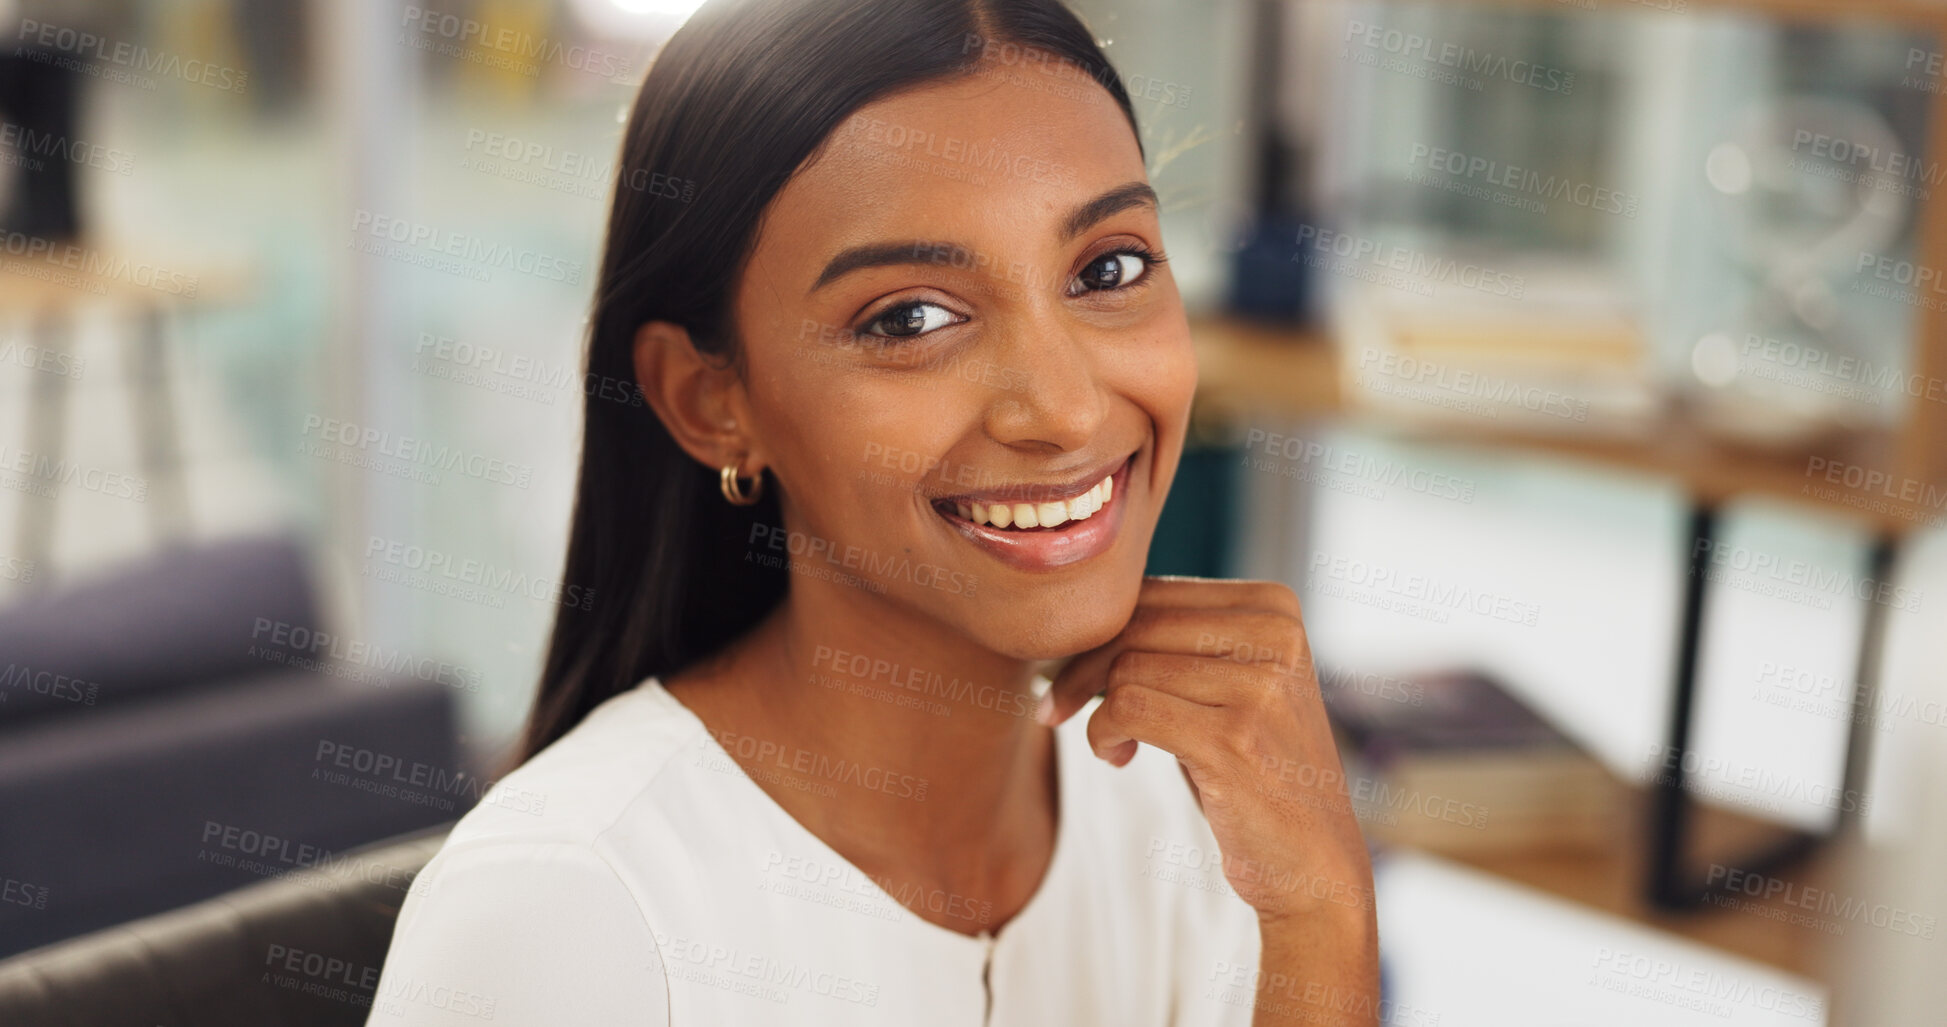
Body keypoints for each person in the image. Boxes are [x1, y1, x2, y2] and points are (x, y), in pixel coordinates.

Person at [368, 0, 1378, 1023]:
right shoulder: (562, 915)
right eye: (910, 317)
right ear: (709, 402)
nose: (1065, 407)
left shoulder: (1190, 812)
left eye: (1107, 269)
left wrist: (1324, 914)